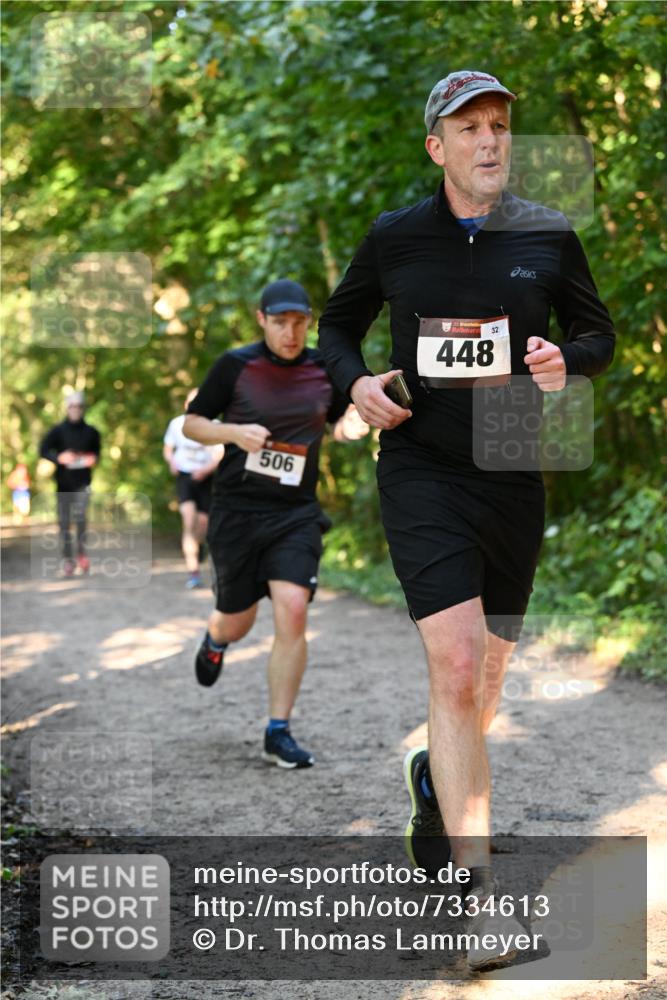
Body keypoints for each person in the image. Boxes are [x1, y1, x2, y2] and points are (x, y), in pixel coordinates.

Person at [319, 70, 615, 968]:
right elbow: (338, 331)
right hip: (421, 470)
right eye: (469, 128)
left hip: (511, 472)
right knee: (451, 670)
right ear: (436, 147)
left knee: (479, 691)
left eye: (498, 126)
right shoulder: (395, 236)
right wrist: (358, 384)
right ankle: (473, 912)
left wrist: (565, 361)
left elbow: (596, 335)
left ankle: (428, 782)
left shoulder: (547, 233)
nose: (489, 140)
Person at [184, 279, 368, 769]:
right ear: (261, 320)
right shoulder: (236, 365)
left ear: (309, 322)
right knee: (238, 619)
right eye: (280, 322)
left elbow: (337, 422)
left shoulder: (322, 368)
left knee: (293, 609)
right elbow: (193, 422)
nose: (291, 332)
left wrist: (356, 424)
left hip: (295, 514)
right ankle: (216, 638)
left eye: (299, 322)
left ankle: (277, 731)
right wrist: (234, 432)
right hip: (238, 513)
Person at [163, 389, 223, 589]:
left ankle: (200, 549)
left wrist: (206, 470)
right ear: (185, 404)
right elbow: (168, 449)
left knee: (204, 525)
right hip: (185, 477)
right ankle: (194, 572)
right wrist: (171, 462)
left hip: (205, 478)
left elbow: (219, 453)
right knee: (188, 520)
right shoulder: (176, 424)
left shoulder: (213, 425)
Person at [39, 391, 101, 577]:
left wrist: (92, 459)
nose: (75, 409)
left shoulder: (92, 432)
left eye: (79, 406)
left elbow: (97, 454)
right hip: (63, 484)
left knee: (81, 520)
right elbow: (42, 450)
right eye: (72, 406)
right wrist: (59, 457)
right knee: (65, 524)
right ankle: (68, 559)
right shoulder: (58, 430)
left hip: (83, 483)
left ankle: (82, 554)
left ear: (83, 408)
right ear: (67, 408)